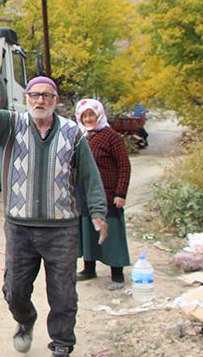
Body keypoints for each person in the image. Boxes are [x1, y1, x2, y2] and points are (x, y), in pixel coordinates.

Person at [0, 63, 108, 357]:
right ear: (26, 98)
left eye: (46, 95)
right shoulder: (10, 125)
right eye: (34, 95)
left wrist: (98, 212)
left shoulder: (73, 133)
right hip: (20, 228)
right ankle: (25, 319)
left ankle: (62, 343)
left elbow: (90, 176)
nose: (40, 100)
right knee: (14, 291)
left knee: (63, 293)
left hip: (62, 230)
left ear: (56, 101)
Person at [75, 99, 132, 290]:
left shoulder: (112, 137)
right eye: (84, 116)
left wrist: (120, 193)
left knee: (111, 232)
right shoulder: (81, 137)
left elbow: (124, 165)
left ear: (99, 115)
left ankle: (117, 273)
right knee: (88, 230)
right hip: (85, 194)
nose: (88, 119)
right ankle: (89, 268)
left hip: (108, 194)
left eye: (92, 115)